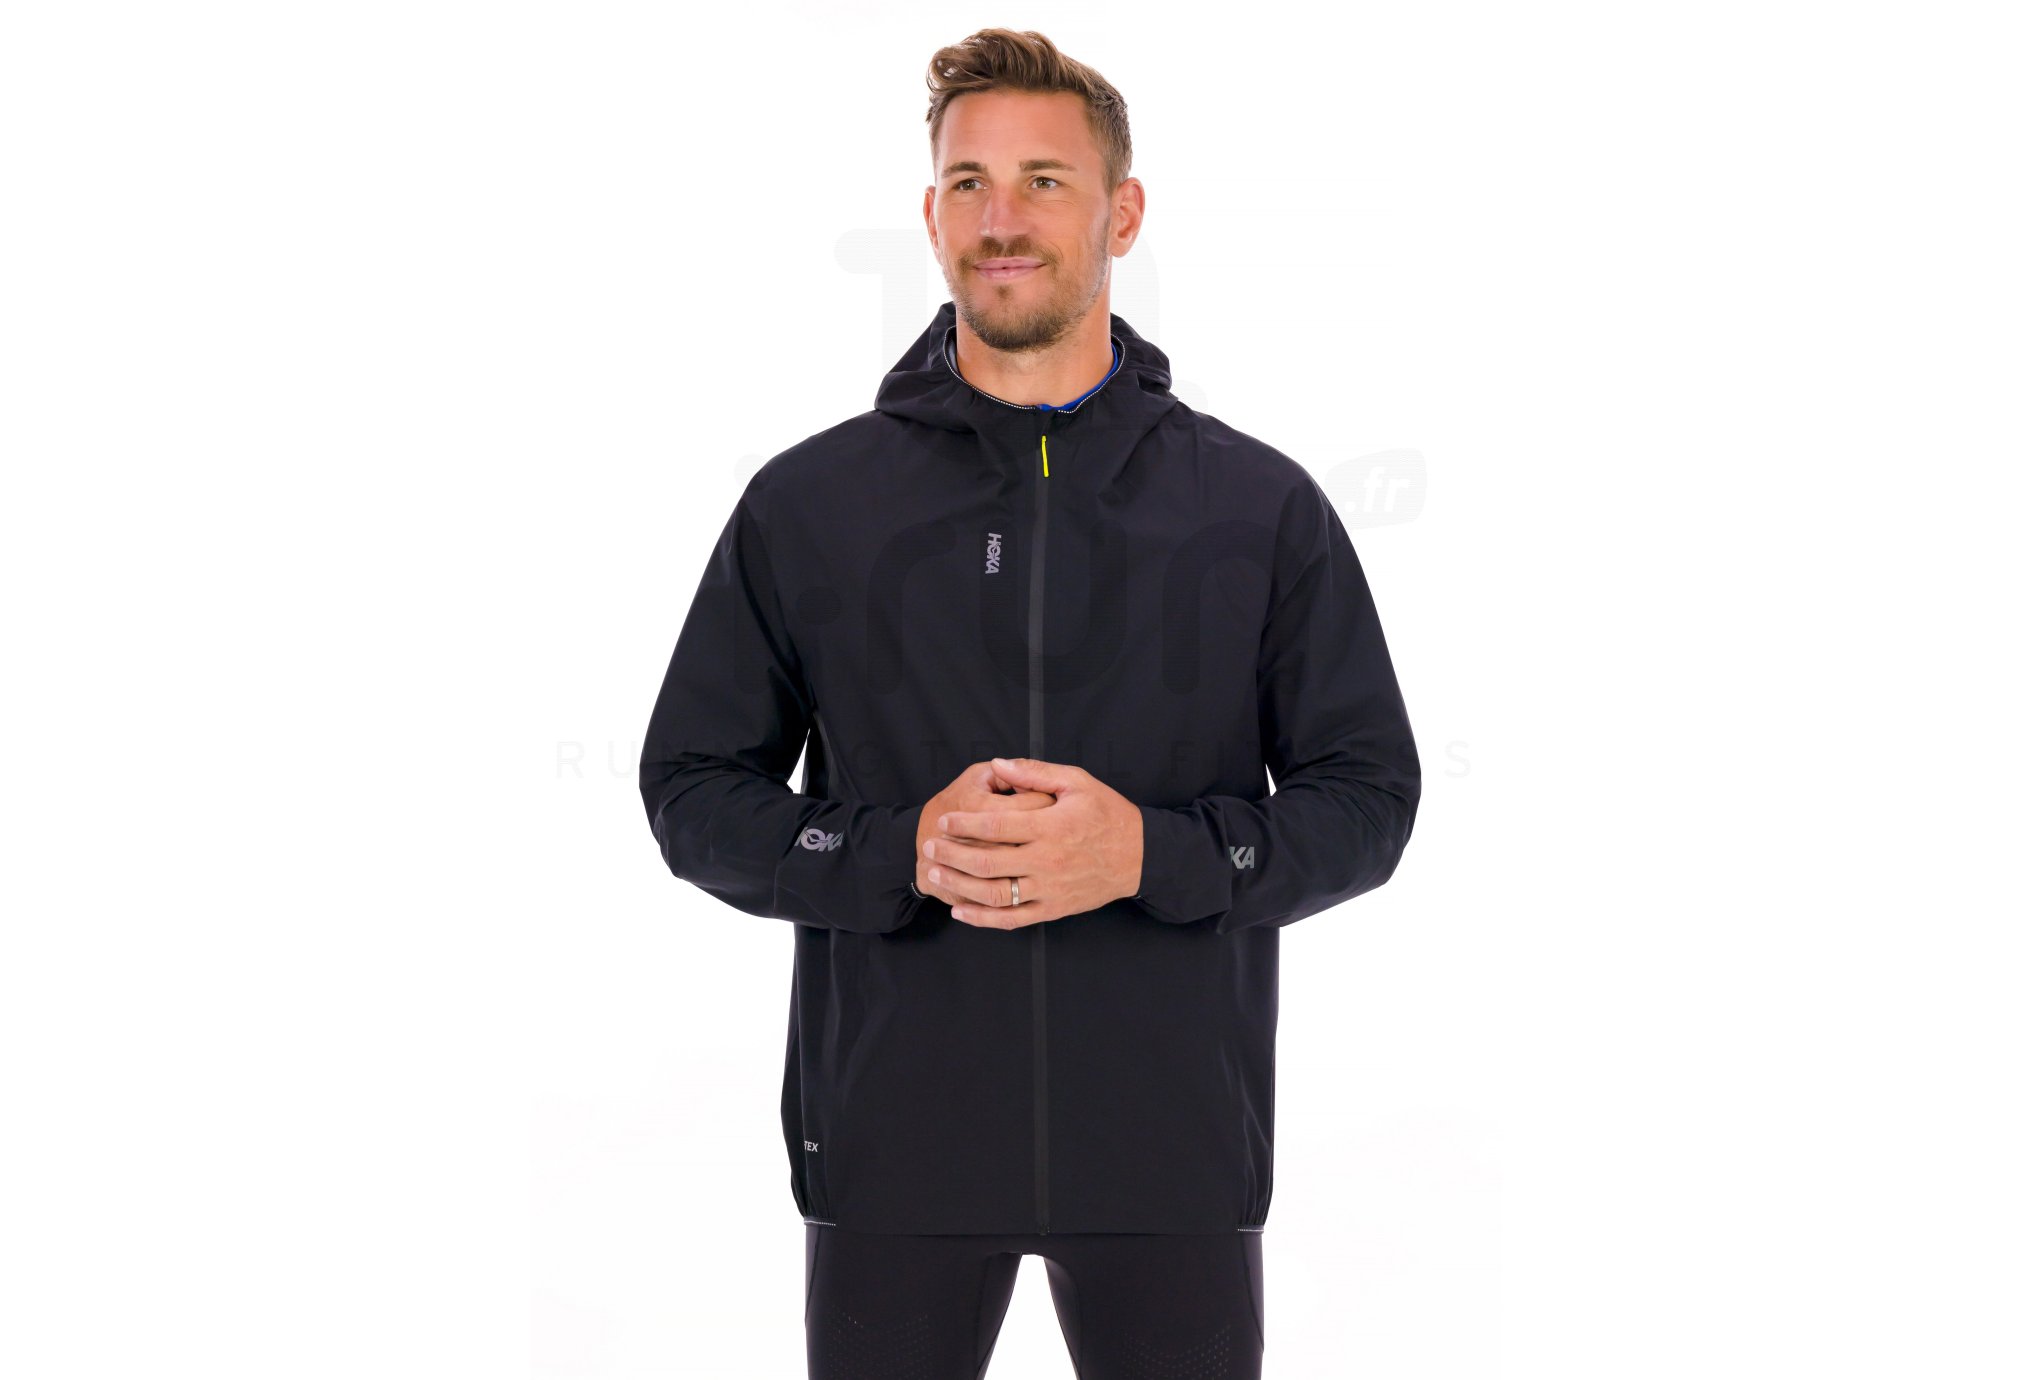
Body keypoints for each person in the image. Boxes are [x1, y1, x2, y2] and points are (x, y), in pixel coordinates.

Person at [638, 27, 1420, 1380]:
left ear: (1122, 212)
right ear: (932, 212)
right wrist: (898, 851)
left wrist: (1149, 855)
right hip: (893, 1150)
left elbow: (1367, 799)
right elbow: (692, 789)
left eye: (1044, 181)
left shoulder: (1256, 506)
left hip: (1169, 1150)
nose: (1001, 220)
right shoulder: (811, 502)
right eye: (969, 183)